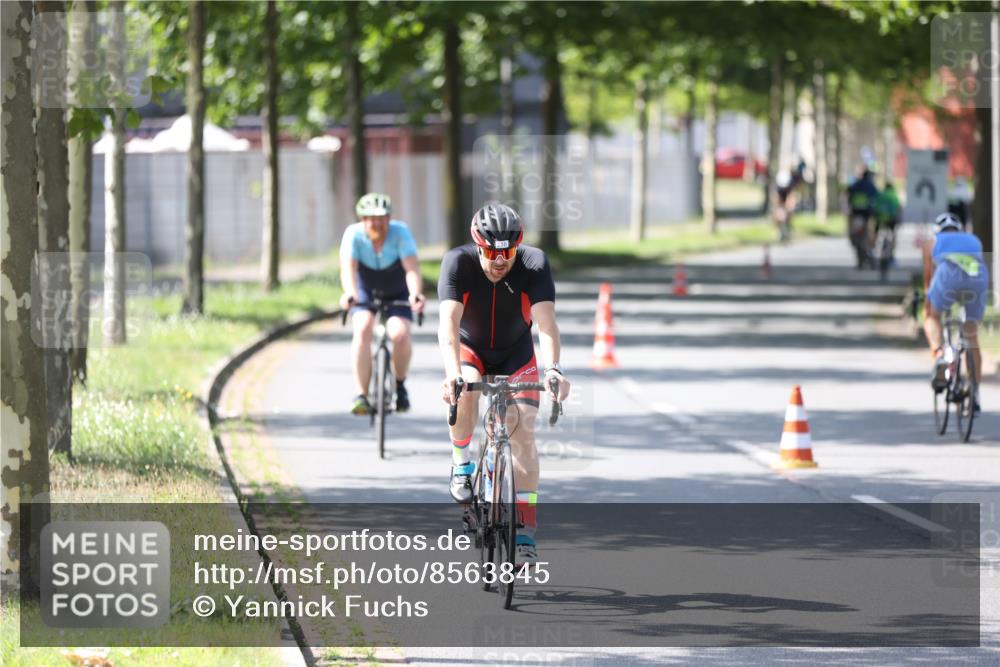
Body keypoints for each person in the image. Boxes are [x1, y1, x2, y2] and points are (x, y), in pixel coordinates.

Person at [437, 203, 571, 566]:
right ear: (478, 246)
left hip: (516, 353)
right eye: (492, 252)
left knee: (523, 431)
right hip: (471, 349)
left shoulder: (534, 264)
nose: (500, 260)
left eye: (508, 252)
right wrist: (451, 372)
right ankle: (461, 463)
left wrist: (554, 369)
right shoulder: (457, 263)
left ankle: (525, 530)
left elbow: (546, 325)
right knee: (467, 385)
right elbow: (448, 326)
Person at [339, 192, 425, 415]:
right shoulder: (353, 235)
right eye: (370, 218)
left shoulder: (400, 233)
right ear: (362, 220)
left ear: (389, 218)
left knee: (400, 334)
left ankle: (399, 385)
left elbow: (412, 268)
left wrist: (415, 293)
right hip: (365, 290)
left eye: (381, 218)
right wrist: (350, 293)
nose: (376, 223)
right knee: (363, 327)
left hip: (396, 289)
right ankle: (361, 394)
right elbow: (348, 269)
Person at [923, 212, 989, 413]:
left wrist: (929, 301)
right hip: (976, 277)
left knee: (931, 316)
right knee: (971, 336)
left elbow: (928, 279)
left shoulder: (933, 241)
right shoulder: (973, 239)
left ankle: (939, 354)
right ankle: (975, 394)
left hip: (947, 275)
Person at [845, 167, 880, 267]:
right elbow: (876, 198)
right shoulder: (870, 186)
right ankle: (869, 252)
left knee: (854, 235)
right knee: (869, 236)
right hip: (867, 216)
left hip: (855, 215)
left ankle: (860, 254)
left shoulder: (855, 185)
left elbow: (848, 195)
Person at [873, 180, 902, 261]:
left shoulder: (880, 195)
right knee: (893, 235)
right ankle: (891, 253)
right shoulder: (894, 195)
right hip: (891, 219)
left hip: (880, 218)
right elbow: (898, 208)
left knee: (876, 233)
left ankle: (873, 248)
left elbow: (876, 207)